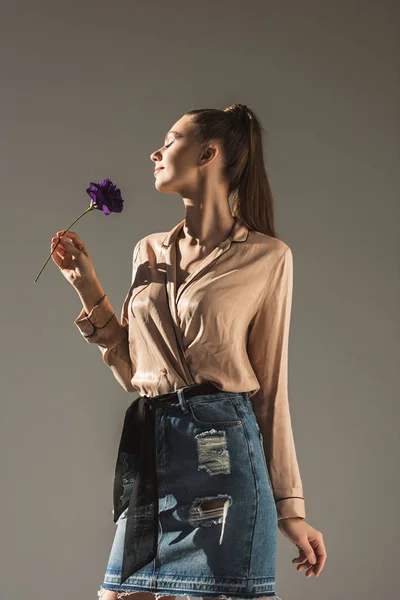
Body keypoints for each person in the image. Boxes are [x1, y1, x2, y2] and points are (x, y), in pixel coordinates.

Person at [50, 104, 327, 600]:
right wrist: (88, 289)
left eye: (170, 140)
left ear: (208, 153)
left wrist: (291, 508)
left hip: (225, 463)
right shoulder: (148, 250)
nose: (155, 152)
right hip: (156, 456)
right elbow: (138, 372)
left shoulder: (267, 257)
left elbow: (271, 392)